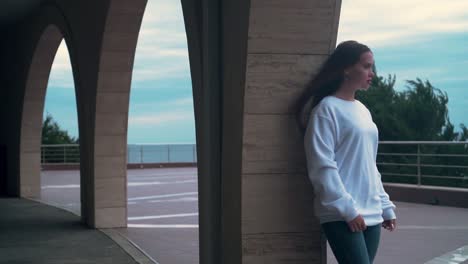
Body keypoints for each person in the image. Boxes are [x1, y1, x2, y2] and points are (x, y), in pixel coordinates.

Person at [296, 40, 397, 264]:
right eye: (366, 66)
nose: (372, 73)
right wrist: (347, 209)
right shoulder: (326, 110)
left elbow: (369, 165)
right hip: (342, 213)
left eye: (372, 66)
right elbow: (322, 165)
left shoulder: (362, 110)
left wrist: (385, 205)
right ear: (346, 68)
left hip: (371, 211)